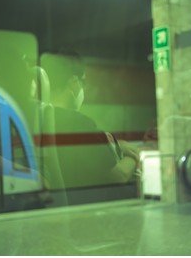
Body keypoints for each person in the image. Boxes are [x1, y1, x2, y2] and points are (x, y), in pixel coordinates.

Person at [41, 52, 140, 188]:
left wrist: (117, 146)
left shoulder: (38, 117)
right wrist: (135, 156)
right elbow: (118, 176)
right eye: (84, 82)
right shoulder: (77, 122)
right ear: (74, 84)